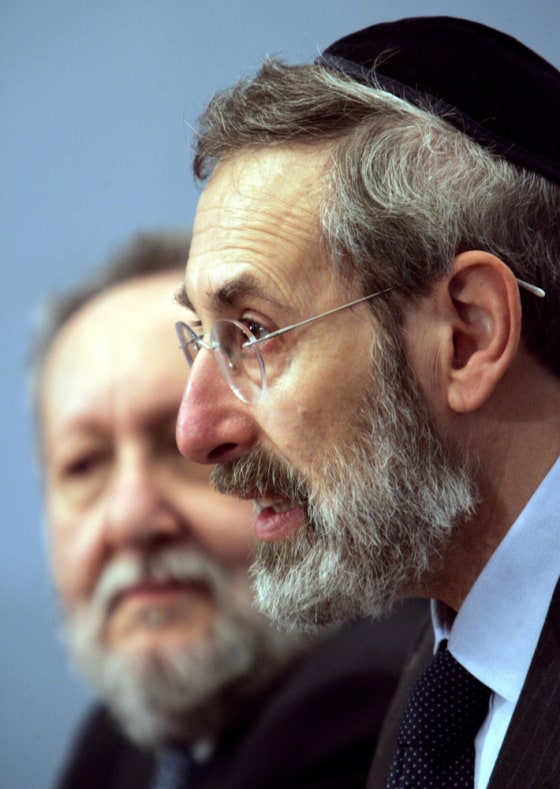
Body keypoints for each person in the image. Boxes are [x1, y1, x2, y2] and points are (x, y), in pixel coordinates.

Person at [174, 15, 560, 789]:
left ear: (467, 335)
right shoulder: (441, 687)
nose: (196, 429)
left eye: (254, 333)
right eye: (200, 339)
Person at [32, 230, 425, 789]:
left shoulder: (367, 707)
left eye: (181, 446)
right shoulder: (117, 748)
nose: (130, 520)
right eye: (84, 466)